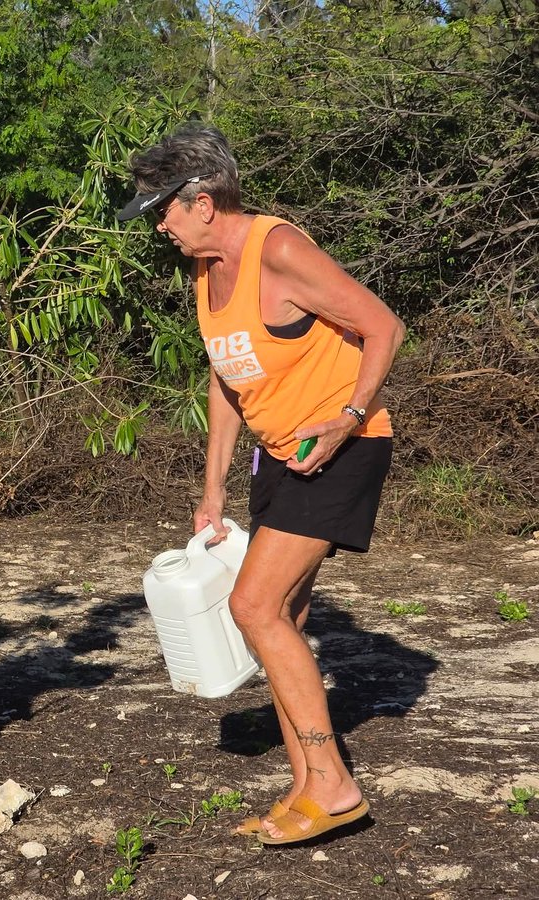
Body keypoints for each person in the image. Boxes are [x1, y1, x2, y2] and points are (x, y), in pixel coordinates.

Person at [118, 124, 404, 845]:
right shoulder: (204, 273)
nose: (160, 226)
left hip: (341, 447)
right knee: (285, 620)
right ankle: (308, 786)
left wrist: (345, 419)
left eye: (164, 210)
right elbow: (226, 377)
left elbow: (383, 326)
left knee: (253, 606)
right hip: (278, 455)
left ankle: (335, 786)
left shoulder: (277, 249)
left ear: (204, 201)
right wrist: (212, 486)